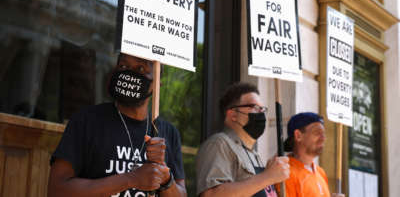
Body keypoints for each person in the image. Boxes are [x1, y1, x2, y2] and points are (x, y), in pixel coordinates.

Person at [48, 53, 187, 197]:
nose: (129, 73)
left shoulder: (168, 133)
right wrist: (131, 179)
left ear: (157, 83)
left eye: (140, 69)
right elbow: (57, 190)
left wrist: (165, 179)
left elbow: (181, 193)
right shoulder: (86, 121)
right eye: (123, 66)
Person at [196, 82, 290, 197]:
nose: (260, 112)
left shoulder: (255, 155)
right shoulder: (219, 143)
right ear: (233, 115)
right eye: (253, 107)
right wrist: (267, 177)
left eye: (262, 108)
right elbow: (211, 195)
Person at [282, 112, 344, 197]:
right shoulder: (285, 172)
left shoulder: (320, 172)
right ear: (298, 135)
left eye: (323, 133)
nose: (323, 138)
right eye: (317, 132)